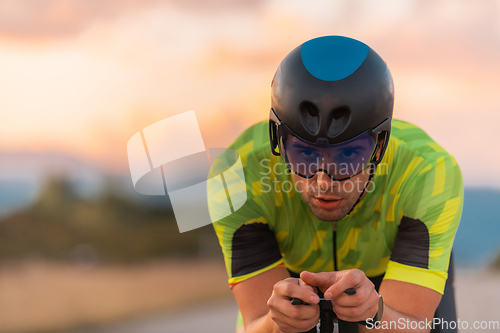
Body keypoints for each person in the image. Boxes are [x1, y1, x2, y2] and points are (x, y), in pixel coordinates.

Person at [209, 35, 463, 333]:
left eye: (347, 155)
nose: (323, 181)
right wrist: (277, 326)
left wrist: (375, 313)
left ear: (379, 146)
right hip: (292, 274)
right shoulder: (235, 176)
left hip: (391, 275)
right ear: (277, 137)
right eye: (303, 153)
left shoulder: (428, 172)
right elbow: (256, 323)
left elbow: (414, 324)